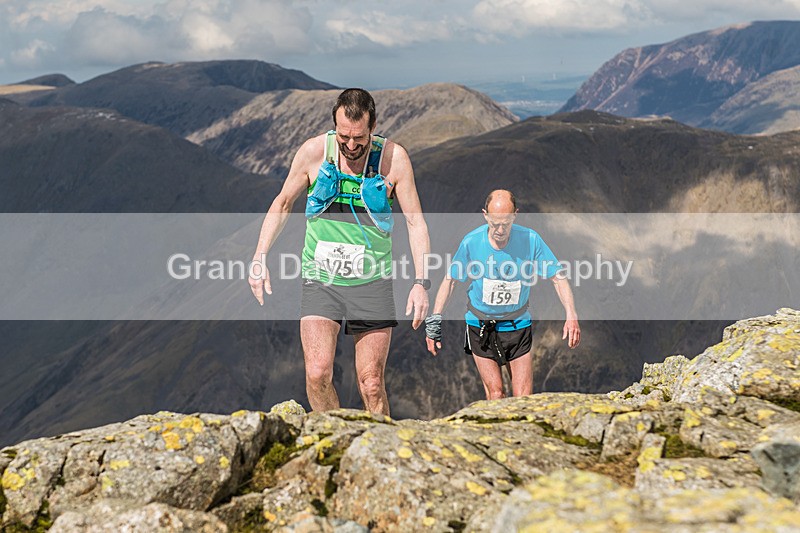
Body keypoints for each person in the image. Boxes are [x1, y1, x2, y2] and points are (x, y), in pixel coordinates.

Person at [249, 88, 430, 416]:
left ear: (372, 127)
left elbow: (416, 222)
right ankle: (333, 437)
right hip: (321, 279)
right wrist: (260, 256)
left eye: (358, 138)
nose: (350, 145)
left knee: (371, 382)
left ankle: (381, 453)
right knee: (317, 374)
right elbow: (283, 202)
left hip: (371, 280)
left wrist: (422, 282)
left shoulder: (394, 159)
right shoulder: (314, 152)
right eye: (343, 135)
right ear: (335, 126)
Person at [425, 189, 579, 400]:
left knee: (523, 398)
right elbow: (450, 281)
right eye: (494, 223)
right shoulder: (471, 242)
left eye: (505, 224)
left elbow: (558, 277)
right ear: (485, 215)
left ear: (515, 215)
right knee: (496, 393)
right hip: (480, 326)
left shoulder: (530, 240)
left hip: (517, 326)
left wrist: (571, 314)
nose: (499, 230)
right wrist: (435, 319)